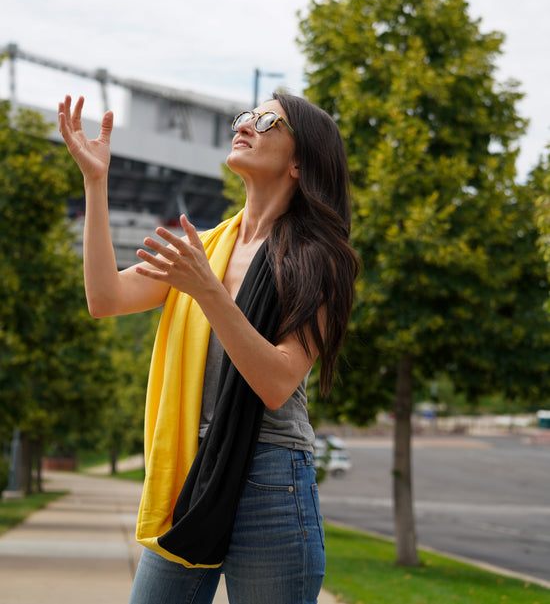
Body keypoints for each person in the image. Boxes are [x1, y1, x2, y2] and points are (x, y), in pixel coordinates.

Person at [58, 91, 358, 604]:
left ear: (299, 163)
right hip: (192, 473)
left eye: (268, 122)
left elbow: (277, 382)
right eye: (245, 116)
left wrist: (208, 291)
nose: (246, 125)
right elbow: (105, 298)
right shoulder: (209, 247)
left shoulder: (320, 259)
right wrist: (96, 182)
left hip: (271, 477)